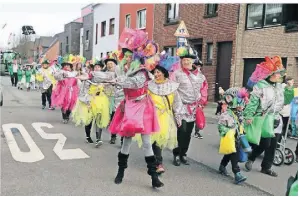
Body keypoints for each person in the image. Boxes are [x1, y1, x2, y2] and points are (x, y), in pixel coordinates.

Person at [109, 28, 164, 188]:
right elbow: (110, 76)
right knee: (126, 141)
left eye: (129, 55)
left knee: (147, 142)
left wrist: (119, 81)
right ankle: (121, 171)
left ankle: (154, 177)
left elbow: (136, 83)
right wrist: (91, 76)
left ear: (136, 56)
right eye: (125, 54)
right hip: (129, 107)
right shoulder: (123, 70)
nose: (126, 57)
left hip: (143, 107)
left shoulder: (143, 71)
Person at [244, 56, 285, 177]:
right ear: (271, 74)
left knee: (273, 145)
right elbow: (253, 102)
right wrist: (249, 115)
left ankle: (266, 167)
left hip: (276, 118)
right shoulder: (260, 86)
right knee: (265, 143)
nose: (279, 76)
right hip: (263, 118)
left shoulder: (279, 86)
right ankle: (252, 157)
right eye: (277, 73)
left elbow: (282, 101)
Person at [172, 46, 208, 166]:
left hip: (193, 108)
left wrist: (202, 101)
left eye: (188, 60)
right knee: (181, 131)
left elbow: (204, 89)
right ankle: (176, 153)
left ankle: (183, 154)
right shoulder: (177, 74)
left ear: (193, 61)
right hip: (181, 107)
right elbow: (173, 89)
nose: (186, 62)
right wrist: (176, 106)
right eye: (184, 60)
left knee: (188, 133)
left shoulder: (200, 76)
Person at [72, 59, 114, 147]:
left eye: (99, 67)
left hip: (101, 100)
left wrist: (108, 86)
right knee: (89, 119)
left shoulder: (104, 78)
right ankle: (88, 136)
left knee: (99, 118)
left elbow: (109, 89)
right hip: (90, 99)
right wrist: (87, 101)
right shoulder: (89, 78)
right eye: (95, 67)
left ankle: (98, 139)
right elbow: (84, 90)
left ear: (101, 68)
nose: (97, 68)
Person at [218, 87, 249, 184]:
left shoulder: (240, 114)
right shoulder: (226, 114)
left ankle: (222, 166)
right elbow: (221, 127)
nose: (241, 106)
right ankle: (237, 173)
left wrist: (242, 132)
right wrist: (229, 131)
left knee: (230, 153)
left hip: (238, 137)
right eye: (239, 103)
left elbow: (241, 124)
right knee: (233, 153)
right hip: (230, 138)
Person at [52, 55, 79, 124]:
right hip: (63, 90)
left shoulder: (74, 73)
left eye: (68, 66)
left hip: (73, 91)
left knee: (72, 103)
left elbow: (79, 80)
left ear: (70, 66)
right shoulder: (61, 72)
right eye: (65, 66)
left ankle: (67, 115)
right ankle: (64, 117)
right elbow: (56, 77)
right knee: (64, 102)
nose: (67, 67)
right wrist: (62, 75)